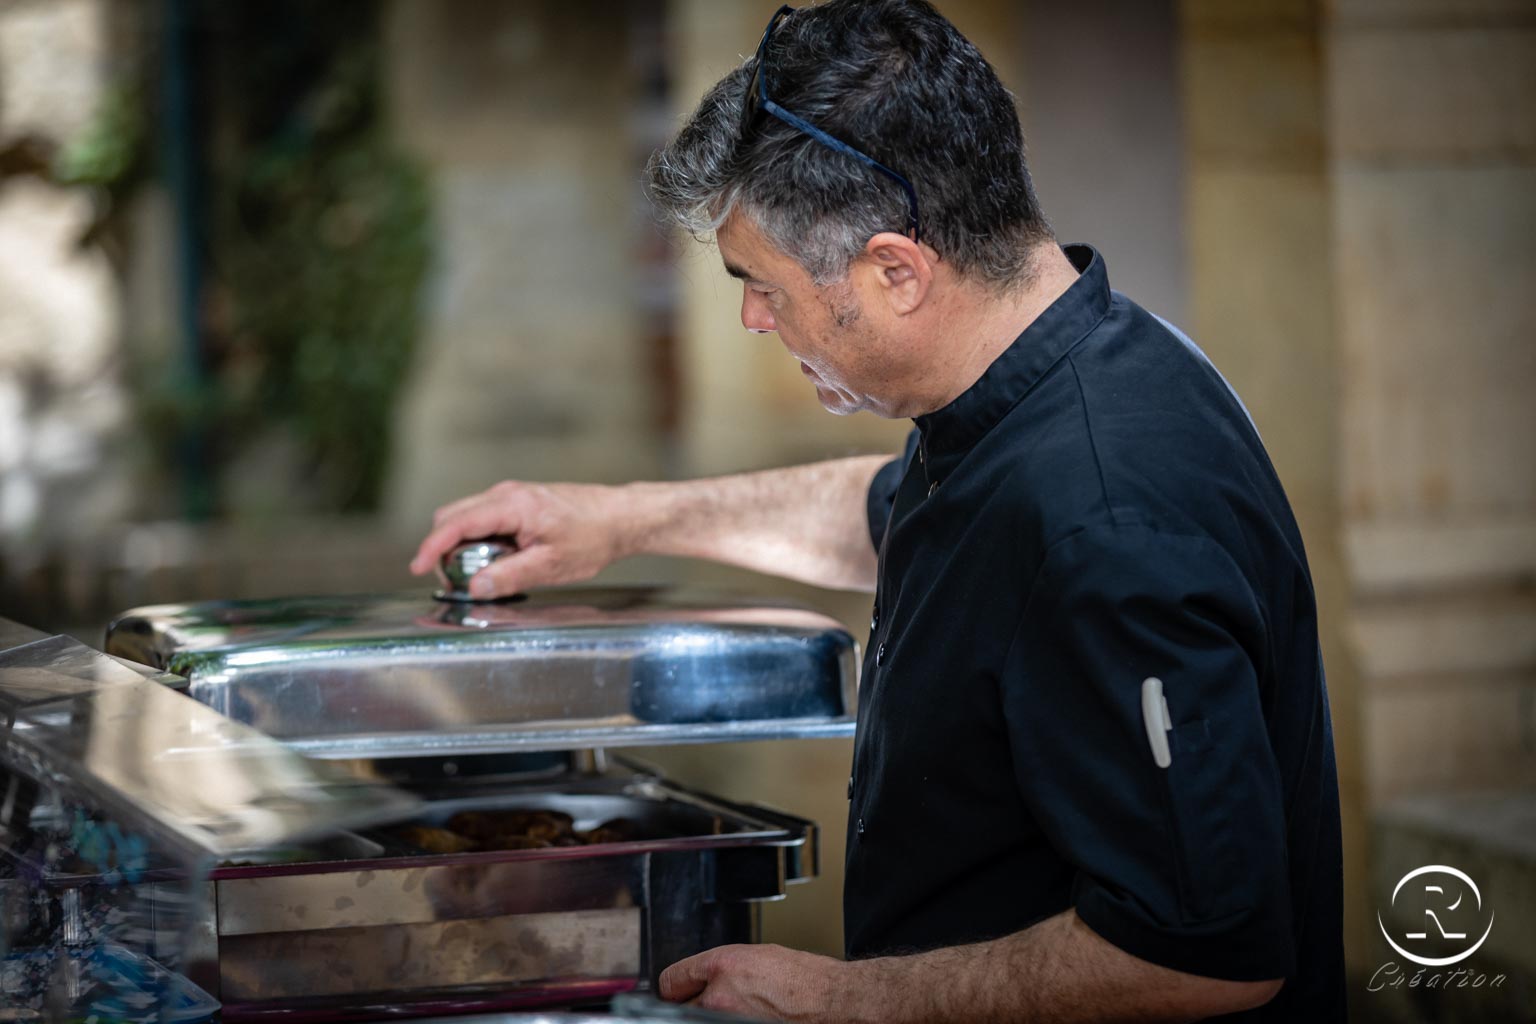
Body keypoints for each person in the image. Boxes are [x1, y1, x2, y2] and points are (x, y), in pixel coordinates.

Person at [410, 1, 1346, 1020]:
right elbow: (884, 511)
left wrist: (847, 1000)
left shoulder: (1106, 521)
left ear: (896, 269)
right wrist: (619, 518)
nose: (751, 318)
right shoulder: (1050, 375)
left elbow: (1205, 951)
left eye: (761, 283)